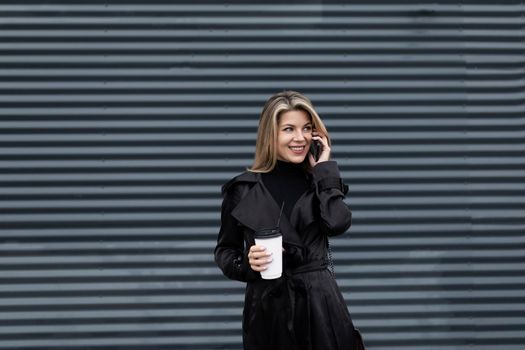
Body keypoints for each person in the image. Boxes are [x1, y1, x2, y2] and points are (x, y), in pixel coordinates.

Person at [214, 91, 365, 350]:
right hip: (268, 310)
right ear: (269, 134)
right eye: (288, 129)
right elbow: (225, 250)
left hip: (321, 306)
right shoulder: (243, 189)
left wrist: (325, 170)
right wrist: (248, 264)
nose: (300, 138)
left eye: (307, 128)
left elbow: (338, 223)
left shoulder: (320, 182)